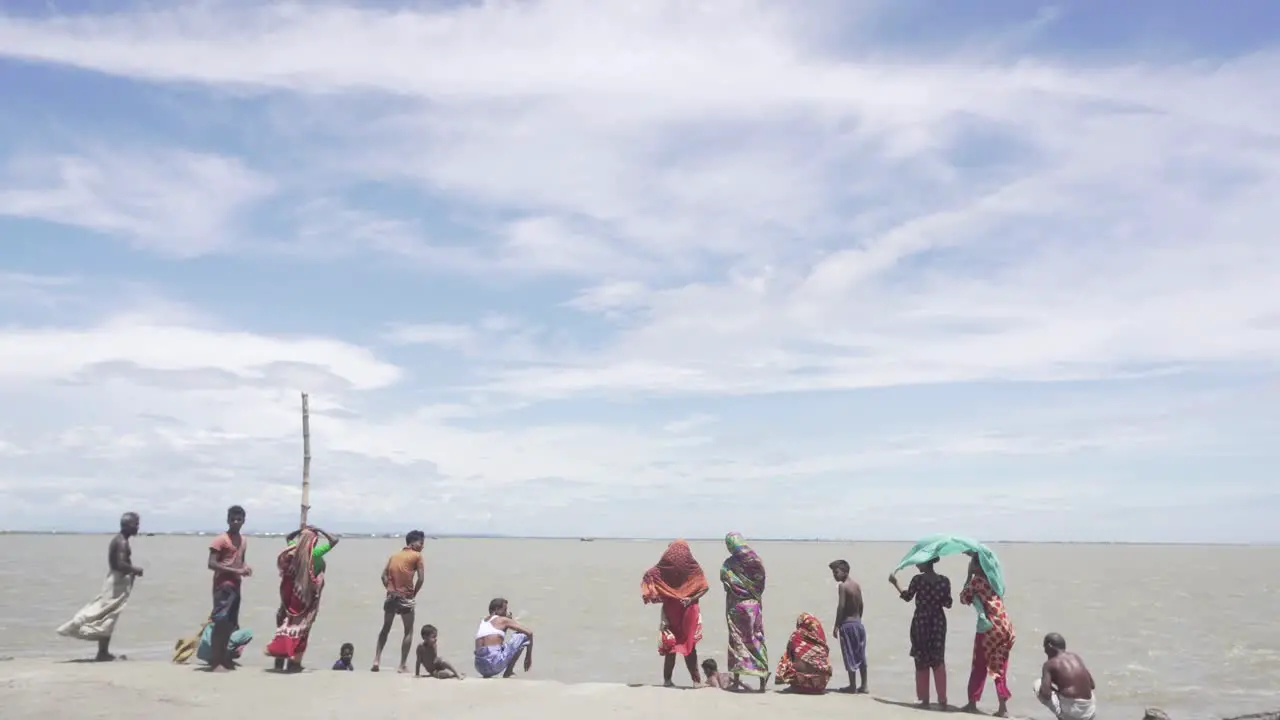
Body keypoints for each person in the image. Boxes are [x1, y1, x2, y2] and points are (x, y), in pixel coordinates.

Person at [57, 512, 144, 661]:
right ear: (128, 525)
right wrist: (136, 570)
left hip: (116, 580)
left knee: (108, 614)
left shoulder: (121, 540)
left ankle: (102, 652)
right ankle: (74, 626)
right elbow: (119, 564)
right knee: (104, 612)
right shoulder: (121, 541)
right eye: (136, 524)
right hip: (116, 581)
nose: (138, 527)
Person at [265, 526, 339, 672]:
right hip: (306, 599)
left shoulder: (292, 551)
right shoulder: (315, 554)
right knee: (302, 629)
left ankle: (279, 661)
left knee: (285, 627)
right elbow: (334, 540)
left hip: (290, 597)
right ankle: (295, 664)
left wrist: (300, 531)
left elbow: (288, 537)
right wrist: (319, 529)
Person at [641, 539, 710, 687]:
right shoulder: (692, 567)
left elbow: (648, 576)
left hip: (671, 610)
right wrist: (691, 598)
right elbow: (704, 587)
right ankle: (696, 681)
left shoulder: (663, 568)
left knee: (670, 646)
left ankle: (667, 680)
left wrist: (653, 591)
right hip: (689, 610)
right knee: (689, 645)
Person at [889, 557, 953, 708]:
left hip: (921, 622)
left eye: (919, 562)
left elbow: (907, 597)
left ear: (926, 563)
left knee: (921, 658)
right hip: (938, 622)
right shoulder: (944, 581)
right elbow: (948, 603)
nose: (916, 565)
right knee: (938, 659)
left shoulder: (917, 580)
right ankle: (942, 701)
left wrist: (895, 583)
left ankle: (924, 700)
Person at [959, 552, 1016, 717]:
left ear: (977, 566)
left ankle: (972, 703)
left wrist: (969, 575)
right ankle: (1003, 709)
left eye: (972, 563)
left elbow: (963, 598)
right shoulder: (995, 581)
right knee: (999, 665)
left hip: (989, 627)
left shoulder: (977, 581)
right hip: (1005, 627)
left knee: (980, 664)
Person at [720, 532, 769, 692]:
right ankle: (762, 680)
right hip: (753, 607)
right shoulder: (756, 561)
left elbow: (726, 581)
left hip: (736, 606)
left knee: (737, 641)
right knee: (756, 639)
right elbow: (761, 582)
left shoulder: (729, 563)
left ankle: (736, 680)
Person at [372, 530, 426, 673]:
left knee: (385, 628)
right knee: (408, 630)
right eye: (421, 543)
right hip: (406, 597)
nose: (422, 546)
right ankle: (402, 665)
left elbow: (383, 576)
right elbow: (421, 579)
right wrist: (413, 594)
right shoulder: (417, 556)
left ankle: (376, 660)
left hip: (391, 597)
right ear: (413, 542)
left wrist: (390, 590)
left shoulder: (394, 556)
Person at [207, 505, 252, 672]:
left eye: (239, 519)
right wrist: (236, 571)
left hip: (236, 584)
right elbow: (211, 564)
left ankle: (225, 658)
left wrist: (245, 568)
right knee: (220, 622)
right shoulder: (220, 540)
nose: (235, 522)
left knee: (231, 624)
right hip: (223, 585)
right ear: (227, 520)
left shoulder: (243, 540)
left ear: (243, 521)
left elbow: (240, 560)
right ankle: (215, 661)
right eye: (232, 519)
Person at [1036, 634, 1097, 720]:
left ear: (1049, 646)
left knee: (1038, 684)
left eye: (1044, 647)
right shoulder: (1076, 657)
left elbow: (1046, 694)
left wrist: (1049, 686)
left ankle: (1063, 717)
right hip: (1090, 711)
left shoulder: (1049, 664)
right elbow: (1092, 685)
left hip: (1073, 713)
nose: (1044, 651)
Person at [829, 559, 868, 693]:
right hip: (858, 624)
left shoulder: (843, 586)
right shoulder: (856, 585)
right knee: (861, 654)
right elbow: (861, 604)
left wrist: (836, 625)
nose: (834, 575)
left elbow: (841, 606)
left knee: (849, 654)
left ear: (845, 572)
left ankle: (852, 685)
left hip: (847, 624)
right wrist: (858, 619)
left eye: (836, 572)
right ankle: (864, 685)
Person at [474, 597, 534, 678]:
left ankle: (499, 672)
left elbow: (498, 638)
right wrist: (528, 657)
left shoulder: (483, 621)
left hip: (479, 667)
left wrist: (507, 624)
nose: (506, 612)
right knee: (522, 636)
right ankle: (508, 672)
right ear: (497, 609)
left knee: (499, 647)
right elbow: (529, 633)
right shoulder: (502, 620)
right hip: (493, 665)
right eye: (504, 610)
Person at [774, 613, 832, 694]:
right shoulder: (820, 639)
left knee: (786, 656)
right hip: (820, 684)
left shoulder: (796, 635)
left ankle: (795, 683)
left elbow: (789, 653)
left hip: (801, 684)